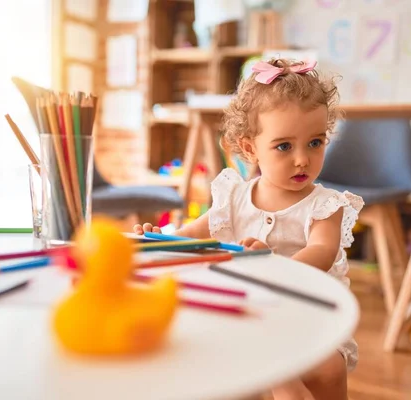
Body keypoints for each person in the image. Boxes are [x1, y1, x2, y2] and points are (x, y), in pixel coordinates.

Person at [134, 58, 364, 400]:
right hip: (250, 314)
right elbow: (196, 232)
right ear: (249, 148)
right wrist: (157, 240)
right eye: (284, 146)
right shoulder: (235, 195)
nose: (302, 159)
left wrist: (273, 267)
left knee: (327, 371)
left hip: (307, 316)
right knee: (233, 370)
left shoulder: (325, 204)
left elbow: (322, 250)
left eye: (315, 143)